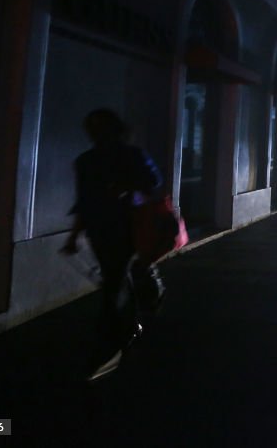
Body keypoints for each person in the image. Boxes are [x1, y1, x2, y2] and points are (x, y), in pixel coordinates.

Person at [61, 108, 162, 382]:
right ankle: (126, 327)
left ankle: (110, 337)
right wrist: (74, 235)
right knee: (115, 276)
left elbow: (151, 183)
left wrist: (75, 235)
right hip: (108, 227)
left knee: (114, 278)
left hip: (123, 226)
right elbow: (86, 200)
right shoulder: (91, 161)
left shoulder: (96, 160)